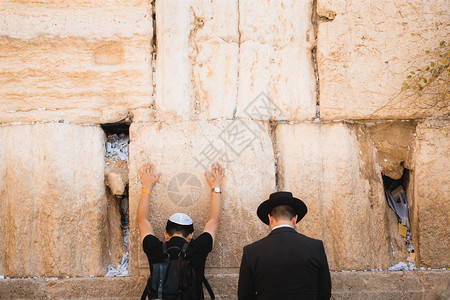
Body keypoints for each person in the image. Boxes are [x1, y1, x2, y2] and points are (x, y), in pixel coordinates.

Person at [137, 162, 225, 299]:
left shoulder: (155, 249)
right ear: (190, 235)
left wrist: (147, 186)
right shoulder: (198, 248)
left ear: (166, 235)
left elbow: (142, 220)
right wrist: (216, 187)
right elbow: (214, 220)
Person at [238, 191, 331, 300]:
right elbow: (325, 293)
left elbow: (244, 296)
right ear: (295, 219)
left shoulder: (252, 251)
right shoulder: (316, 247)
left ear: (270, 219)